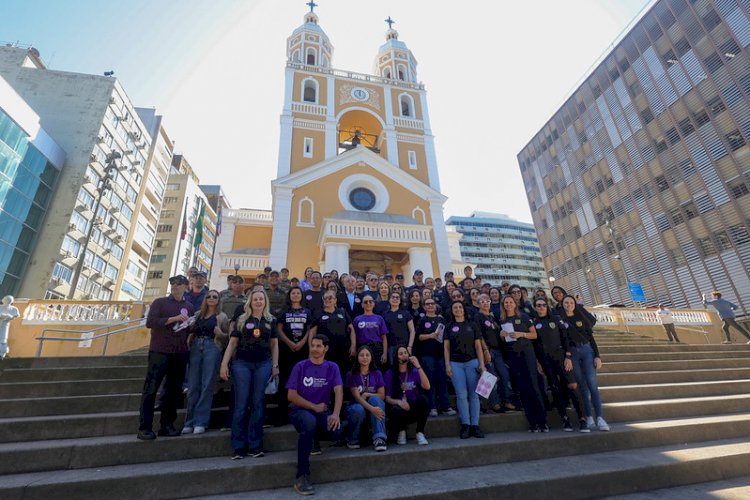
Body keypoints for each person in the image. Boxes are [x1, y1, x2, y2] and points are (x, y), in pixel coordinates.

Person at [220, 290, 279, 458]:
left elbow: (274, 345)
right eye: (255, 299)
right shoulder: (241, 319)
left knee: (258, 403)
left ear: (265, 302)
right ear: (250, 302)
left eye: (261, 299)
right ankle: (238, 446)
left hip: (264, 364)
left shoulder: (271, 321)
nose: (258, 302)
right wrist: (224, 364)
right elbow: (232, 344)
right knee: (241, 404)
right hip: (242, 364)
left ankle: (255, 445)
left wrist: (275, 365)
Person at [137, 275, 194, 440]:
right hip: (159, 352)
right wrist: (173, 319)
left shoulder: (189, 306)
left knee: (173, 391)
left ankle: (167, 425)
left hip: (180, 352)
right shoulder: (160, 302)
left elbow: (188, 331)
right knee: (151, 389)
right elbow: (150, 322)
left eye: (178, 284)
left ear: (185, 287)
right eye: (173, 284)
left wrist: (190, 325)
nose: (175, 286)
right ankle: (145, 427)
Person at [288, 335, 343, 496]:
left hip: (321, 412)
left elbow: (338, 390)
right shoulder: (300, 366)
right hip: (300, 411)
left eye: (319, 346)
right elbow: (291, 396)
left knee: (336, 433)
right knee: (309, 421)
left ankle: (314, 438)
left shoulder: (332, 367)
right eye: (313, 345)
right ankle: (302, 475)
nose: (314, 349)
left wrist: (336, 414)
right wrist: (313, 406)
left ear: (325, 348)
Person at [533, 297, 586, 432]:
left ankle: (582, 419)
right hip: (545, 360)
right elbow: (535, 345)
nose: (541, 307)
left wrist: (568, 355)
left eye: (543, 305)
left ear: (547, 306)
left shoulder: (556, 319)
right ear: (535, 307)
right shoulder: (534, 322)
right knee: (555, 389)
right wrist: (538, 362)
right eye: (538, 305)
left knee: (572, 386)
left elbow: (565, 337)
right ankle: (565, 419)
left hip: (561, 357)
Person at [499, 295, 547, 433]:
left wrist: (521, 334)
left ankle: (542, 422)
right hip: (513, 356)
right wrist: (502, 335)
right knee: (522, 388)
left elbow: (534, 335)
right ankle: (532, 423)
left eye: (510, 302)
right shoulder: (502, 319)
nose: (508, 304)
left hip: (527, 354)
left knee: (534, 386)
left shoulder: (524, 316)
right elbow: (503, 340)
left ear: (515, 304)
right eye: (506, 302)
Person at [561, 294, 609, 432]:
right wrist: (568, 356)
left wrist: (597, 356)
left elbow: (590, 337)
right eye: (566, 303)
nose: (569, 305)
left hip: (587, 350)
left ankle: (600, 417)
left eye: (571, 302)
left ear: (575, 304)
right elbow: (563, 340)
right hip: (573, 353)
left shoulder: (581, 317)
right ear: (562, 305)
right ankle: (589, 417)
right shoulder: (560, 320)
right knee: (582, 386)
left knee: (592, 384)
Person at [183, 290, 228, 435]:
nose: (211, 299)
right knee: (193, 385)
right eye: (209, 296)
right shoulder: (198, 315)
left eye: (215, 297)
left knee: (207, 384)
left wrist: (220, 334)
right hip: (196, 347)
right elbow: (190, 330)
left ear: (218, 300)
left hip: (212, 347)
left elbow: (228, 337)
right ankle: (189, 421)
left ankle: (200, 421)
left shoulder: (222, 316)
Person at [444, 301, 486, 439]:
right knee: (461, 395)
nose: (458, 309)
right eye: (455, 307)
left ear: (464, 309)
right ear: (452, 310)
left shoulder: (472, 325)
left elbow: (478, 346)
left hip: (472, 362)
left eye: (460, 307)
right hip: (455, 364)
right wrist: (448, 365)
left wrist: (482, 364)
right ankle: (466, 425)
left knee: (474, 395)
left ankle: (475, 425)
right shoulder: (449, 326)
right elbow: (446, 348)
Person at [276, 286, 314, 425]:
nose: (296, 295)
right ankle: (282, 415)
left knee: (302, 381)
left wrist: (302, 343)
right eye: (293, 293)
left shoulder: (307, 311)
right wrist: (290, 343)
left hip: (302, 351)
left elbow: (309, 329)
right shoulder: (284, 311)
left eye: (298, 293)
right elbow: (279, 330)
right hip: (286, 351)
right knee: (285, 381)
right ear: (289, 295)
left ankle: (301, 412)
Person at [415, 299, 456, 417]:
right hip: (427, 355)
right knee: (430, 381)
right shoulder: (422, 320)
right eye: (427, 304)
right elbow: (419, 337)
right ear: (424, 306)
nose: (430, 306)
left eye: (432, 304)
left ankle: (446, 406)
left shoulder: (441, 319)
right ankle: (432, 407)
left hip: (441, 355)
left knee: (443, 381)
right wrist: (430, 336)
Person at [475, 294, 514, 413]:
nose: (485, 303)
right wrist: (485, 350)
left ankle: (506, 401)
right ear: (478, 304)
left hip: (498, 351)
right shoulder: (478, 316)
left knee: (505, 375)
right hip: (487, 350)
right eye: (482, 301)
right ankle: (494, 403)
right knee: (489, 377)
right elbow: (478, 335)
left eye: (487, 300)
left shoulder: (492, 317)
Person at [384, 345, 430, 445]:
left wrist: (418, 366)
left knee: (424, 400)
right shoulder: (389, 373)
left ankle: (420, 432)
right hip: (399, 410)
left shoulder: (414, 371)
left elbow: (427, 386)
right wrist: (399, 402)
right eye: (400, 354)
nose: (404, 355)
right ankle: (401, 431)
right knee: (395, 409)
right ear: (396, 357)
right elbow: (387, 398)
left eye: (405, 353)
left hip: (412, 408)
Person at [345, 345, 388, 451]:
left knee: (376, 400)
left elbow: (382, 395)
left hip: (372, 405)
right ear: (357, 358)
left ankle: (379, 438)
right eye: (362, 355)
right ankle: (353, 439)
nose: (365, 357)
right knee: (358, 409)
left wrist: (368, 394)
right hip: (356, 406)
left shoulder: (377, 373)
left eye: (367, 355)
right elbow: (357, 398)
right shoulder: (351, 374)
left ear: (371, 357)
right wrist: (372, 409)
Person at [310, 290, 356, 379]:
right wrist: (311, 349)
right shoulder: (318, 313)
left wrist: (353, 346)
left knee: (342, 374)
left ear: (335, 300)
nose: (327, 300)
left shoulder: (342, 311)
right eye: (325, 298)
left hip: (343, 350)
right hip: (325, 351)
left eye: (330, 298)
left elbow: (351, 329)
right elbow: (312, 332)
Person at [352, 296, 389, 367]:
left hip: (377, 348)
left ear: (374, 304)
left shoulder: (379, 318)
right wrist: (354, 348)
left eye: (370, 301)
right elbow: (353, 336)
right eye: (365, 302)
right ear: (362, 305)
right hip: (362, 347)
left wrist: (384, 353)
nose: (368, 303)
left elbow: (384, 337)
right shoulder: (357, 319)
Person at [382, 292, 416, 363]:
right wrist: (385, 352)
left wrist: (410, 346)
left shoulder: (406, 313)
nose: (395, 299)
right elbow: (383, 334)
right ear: (389, 300)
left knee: (405, 368)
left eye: (397, 297)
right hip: (391, 346)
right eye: (393, 297)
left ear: (400, 301)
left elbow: (412, 330)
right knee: (393, 368)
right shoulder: (384, 314)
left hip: (405, 346)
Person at [0, 295, 19, 360]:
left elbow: (14, 316)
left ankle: (2, 352)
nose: (7, 301)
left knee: (3, 338)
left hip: (5, 325)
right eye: (6, 299)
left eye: (9, 300)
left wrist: (8, 316)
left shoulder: (14, 309)